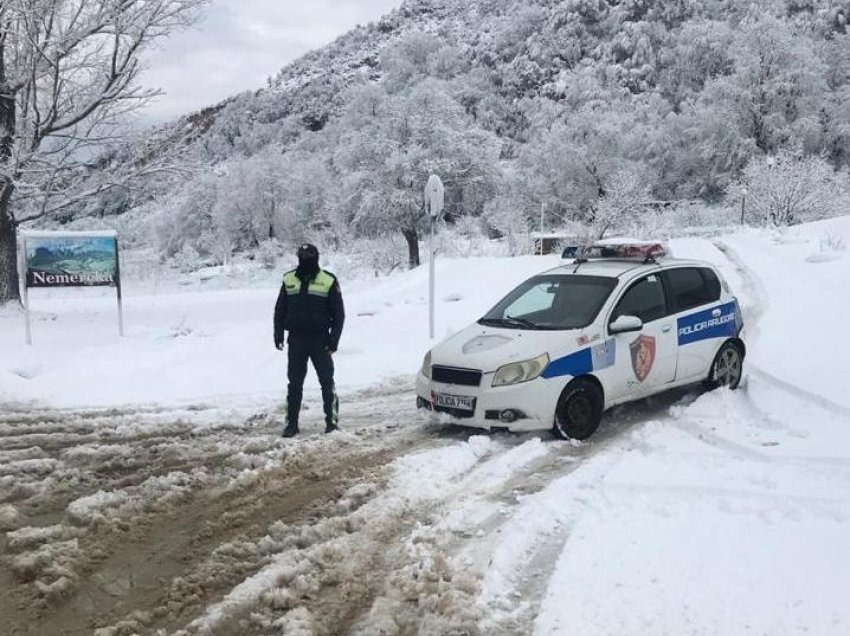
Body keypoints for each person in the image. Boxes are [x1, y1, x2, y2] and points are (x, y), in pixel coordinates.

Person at [273, 243, 345, 437]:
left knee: (326, 382)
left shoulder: (328, 280)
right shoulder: (288, 279)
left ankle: (331, 423)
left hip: (320, 340)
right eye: (302, 257)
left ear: (316, 258)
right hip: (296, 339)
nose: (305, 260)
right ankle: (291, 424)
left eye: (308, 257)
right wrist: (278, 334)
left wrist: (333, 341)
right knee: (294, 384)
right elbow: (280, 309)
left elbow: (339, 315)